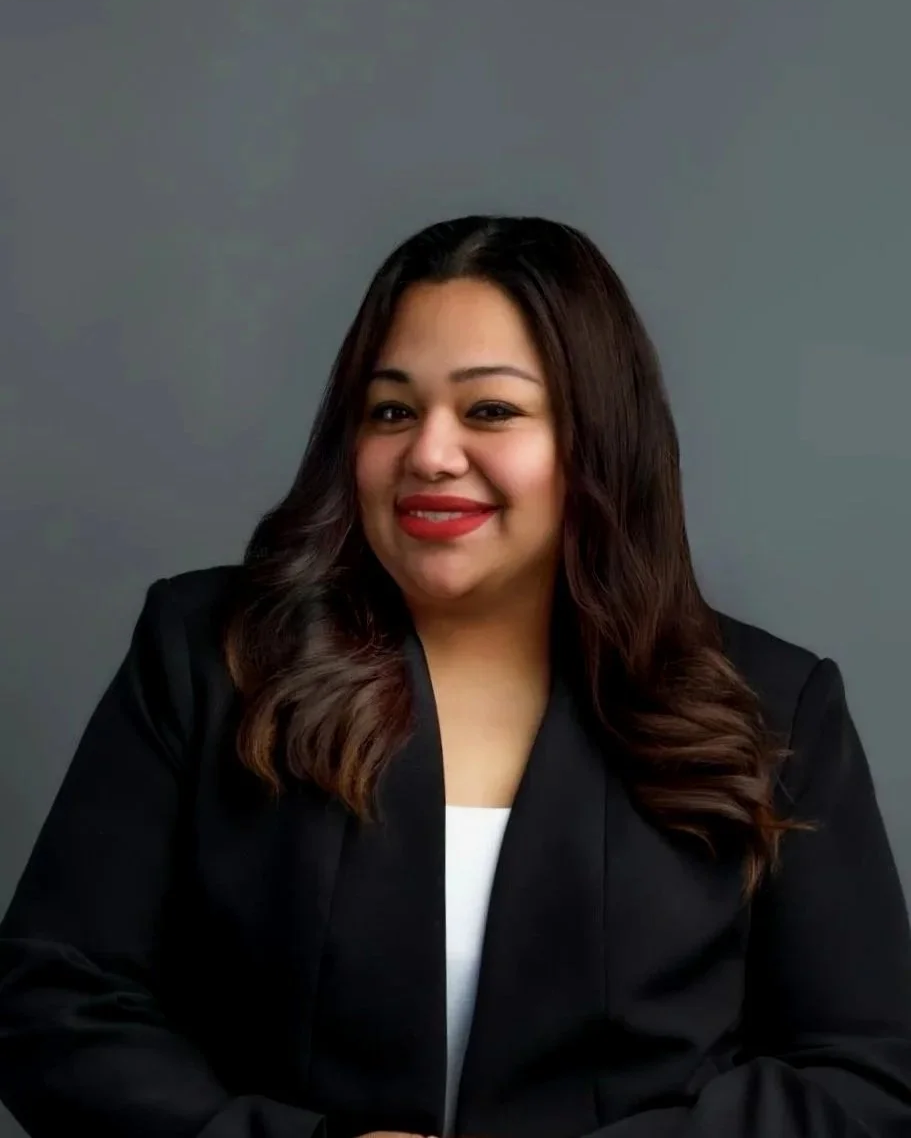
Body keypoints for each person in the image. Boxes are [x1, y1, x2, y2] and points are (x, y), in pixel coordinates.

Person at [1, 215, 910, 1138]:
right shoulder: (209, 654)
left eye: (490, 411)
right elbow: (53, 1000)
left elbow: (866, 1075)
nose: (429, 454)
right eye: (391, 410)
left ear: (596, 442)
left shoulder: (772, 707)